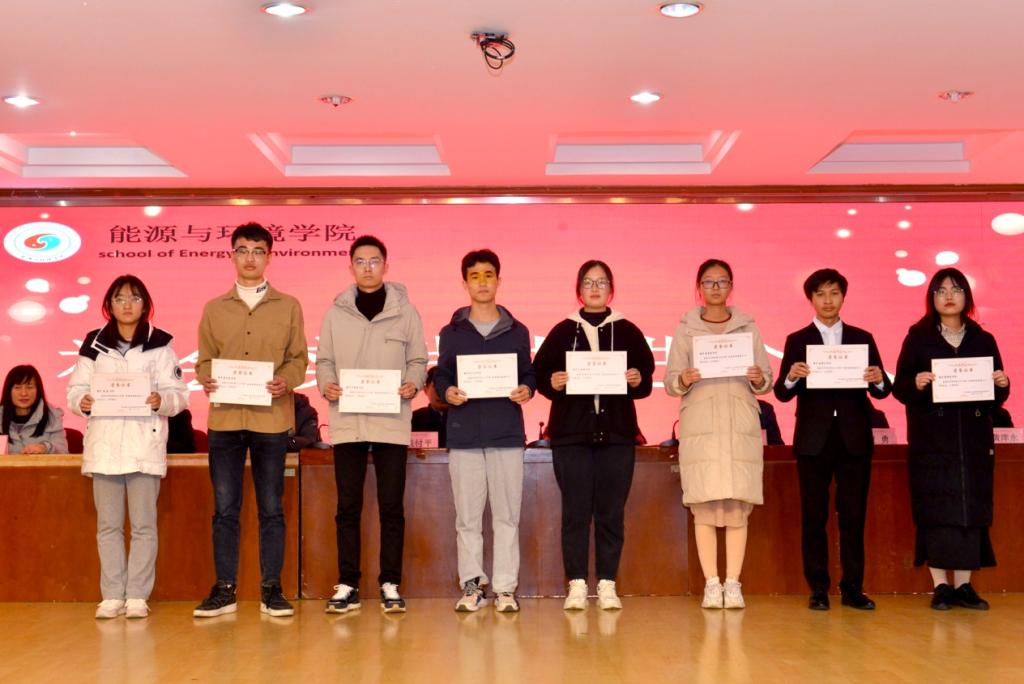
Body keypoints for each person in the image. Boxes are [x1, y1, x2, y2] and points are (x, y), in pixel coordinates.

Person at [193, 222, 309, 618]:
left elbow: (298, 359)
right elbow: (204, 360)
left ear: (269, 257)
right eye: (242, 250)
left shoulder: (288, 305)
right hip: (225, 420)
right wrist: (206, 377)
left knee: (271, 509)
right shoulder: (214, 308)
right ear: (232, 255)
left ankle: (271, 589)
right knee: (225, 508)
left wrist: (286, 381)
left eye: (258, 251)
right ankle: (224, 589)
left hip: (271, 421)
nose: (250, 258)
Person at [533, 260, 655, 611]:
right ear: (579, 290)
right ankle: (575, 583)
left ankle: (606, 582)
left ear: (611, 289)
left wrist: (637, 379)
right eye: (588, 282)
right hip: (571, 436)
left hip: (617, 435)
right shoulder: (562, 331)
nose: (595, 288)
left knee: (610, 512)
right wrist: (553, 382)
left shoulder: (628, 331)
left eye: (602, 282)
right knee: (574, 512)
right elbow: (540, 376)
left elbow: (645, 380)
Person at [315, 235, 428, 614]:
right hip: (348, 419)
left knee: (391, 506)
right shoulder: (336, 312)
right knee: (348, 506)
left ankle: (390, 583)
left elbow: (418, 360)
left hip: (390, 419)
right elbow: (324, 361)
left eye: (374, 260)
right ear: (351, 267)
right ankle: (347, 582)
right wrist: (326, 385)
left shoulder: (405, 311)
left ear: (386, 266)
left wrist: (413, 382)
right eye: (360, 261)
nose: (367, 267)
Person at [66, 275, 189, 619]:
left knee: (144, 526)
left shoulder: (160, 345)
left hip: (143, 445)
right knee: (108, 526)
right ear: (109, 304)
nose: (127, 305)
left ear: (145, 304)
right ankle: (111, 595)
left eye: (134, 298)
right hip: (104, 447)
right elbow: (75, 390)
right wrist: (82, 401)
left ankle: (136, 595)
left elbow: (179, 395)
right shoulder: (93, 344)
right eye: (120, 298)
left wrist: (161, 399)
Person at [773, 268, 891, 611]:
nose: (828, 300)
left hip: (854, 439)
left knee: (853, 516)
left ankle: (853, 588)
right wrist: (792, 376)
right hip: (814, 440)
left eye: (834, 293)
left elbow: (883, 391)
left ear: (843, 297)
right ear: (810, 299)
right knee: (814, 516)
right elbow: (781, 393)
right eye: (820, 294)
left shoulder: (862, 337)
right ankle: (818, 588)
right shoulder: (797, 340)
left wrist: (877, 378)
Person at [893, 267, 1010, 611]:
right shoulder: (918, 337)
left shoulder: (983, 339)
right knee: (937, 510)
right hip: (933, 441)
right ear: (931, 297)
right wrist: (916, 383)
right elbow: (900, 388)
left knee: (970, 510)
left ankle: (964, 586)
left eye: (956, 289)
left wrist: (1002, 385)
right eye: (941, 290)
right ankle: (941, 586)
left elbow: (994, 396)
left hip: (973, 441)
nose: (948, 296)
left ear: (966, 297)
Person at [665, 259, 773, 610]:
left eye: (722, 281)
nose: (715, 288)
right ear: (699, 288)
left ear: (731, 287)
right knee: (704, 506)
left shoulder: (748, 327)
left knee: (738, 507)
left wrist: (758, 377)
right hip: (702, 428)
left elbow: (766, 378)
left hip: (739, 424)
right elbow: (670, 380)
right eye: (708, 282)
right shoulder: (686, 329)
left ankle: (733, 583)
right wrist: (683, 379)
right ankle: (712, 583)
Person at [434, 249, 536, 613]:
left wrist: (527, 388)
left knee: (507, 516)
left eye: (488, 275)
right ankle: (473, 585)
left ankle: (506, 588)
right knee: (467, 519)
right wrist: (447, 391)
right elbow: (442, 374)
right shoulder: (451, 332)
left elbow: (528, 373)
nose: (482, 282)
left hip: (506, 434)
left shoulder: (518, 331)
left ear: (499, 280)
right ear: (465, 283)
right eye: (474, 276)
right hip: (463, 436)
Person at [1, 365, 67, 454]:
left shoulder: (52, 416)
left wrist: (45, 448)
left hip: (43, 464)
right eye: (17, 387)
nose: (24, 393)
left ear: (38, 390)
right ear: (8, 391)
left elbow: (63, 451)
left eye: (29, 387)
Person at [411, 367, 449, 447]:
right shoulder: (413, 419)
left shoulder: (465, 419)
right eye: (436, 386)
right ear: (425, 390)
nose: (441, 392)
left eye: (447, 387)